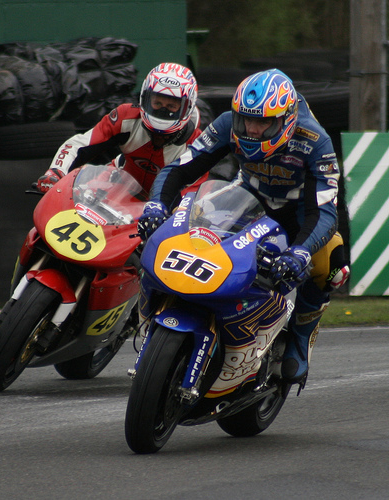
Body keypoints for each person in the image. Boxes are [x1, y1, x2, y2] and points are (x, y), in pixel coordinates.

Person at [137, 68, 350, 387]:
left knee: (332, 265)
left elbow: (324, 210)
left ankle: (300, 337)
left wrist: (301, 252)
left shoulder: (315, 141)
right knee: (192, 221)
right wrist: (156, 204)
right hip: (249, 197)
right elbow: (180, 169)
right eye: (246, 119)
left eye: (263, 122)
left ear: (286, 120)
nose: (251, 129)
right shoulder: (227, 123)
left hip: (300, 211)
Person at [36, 62, 206, 196]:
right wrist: (56, 172)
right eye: (157, 103)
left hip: (160, 208)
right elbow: (80, 144)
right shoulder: (126, 117)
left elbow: (191, 197)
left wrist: (166, 211)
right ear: (145, 97)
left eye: (171, 106)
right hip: (116, 187)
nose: (163, 110)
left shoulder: (197, 146)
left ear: (187, 107)